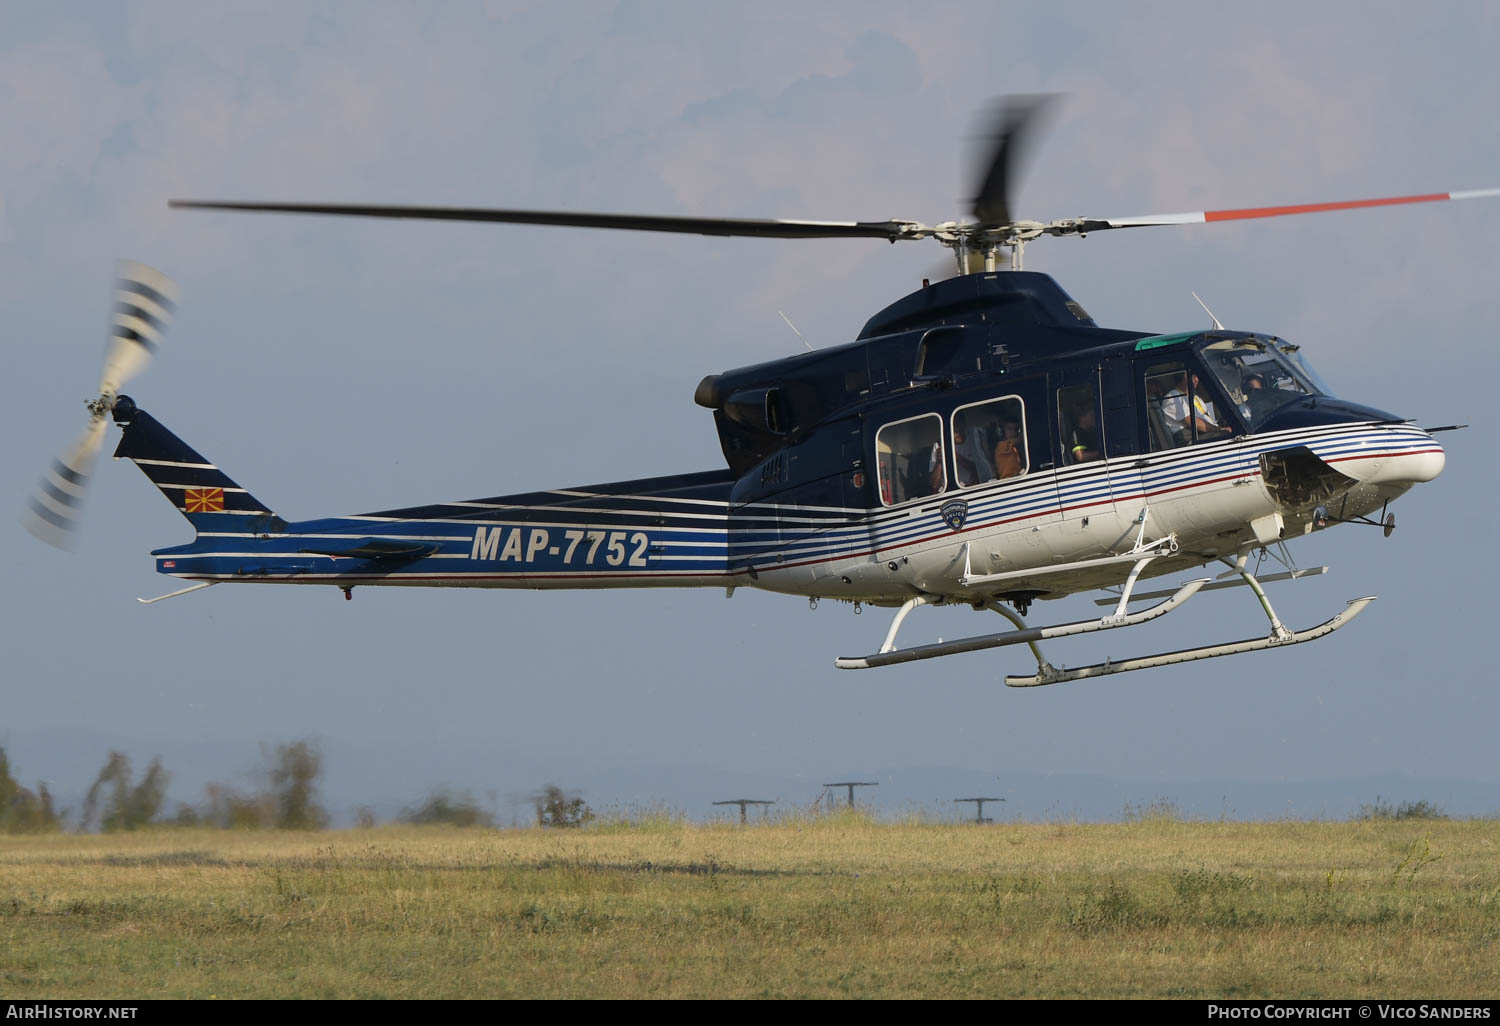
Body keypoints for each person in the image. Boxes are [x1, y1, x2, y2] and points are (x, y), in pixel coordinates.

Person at [953, 415, 995, 487]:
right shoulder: (940, 445)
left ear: (963, 424)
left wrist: (955, 456)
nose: (955, 430)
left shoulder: (974, 441)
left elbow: (981, 467)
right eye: (953, 427)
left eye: (957, 425)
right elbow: (933, 483)